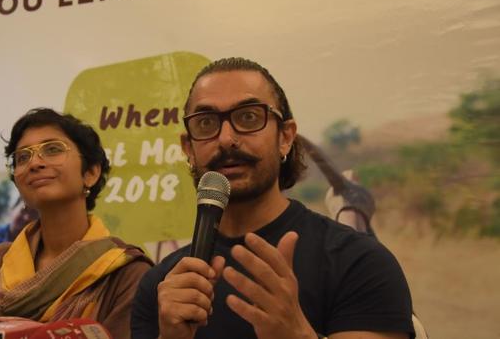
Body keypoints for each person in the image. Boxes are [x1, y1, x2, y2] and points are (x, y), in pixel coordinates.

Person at [131, 58, 414, 339]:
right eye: (206, 122)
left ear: (286, 138)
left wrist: (298, 335)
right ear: (188, 149)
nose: (226, 138)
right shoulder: (161, 286)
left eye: (249, 117)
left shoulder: (359, 262)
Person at [0, 108, 153, 338]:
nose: (35, 163)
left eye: (52, 149)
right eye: (23, 157)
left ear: (90, 172)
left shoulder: (126, 274)